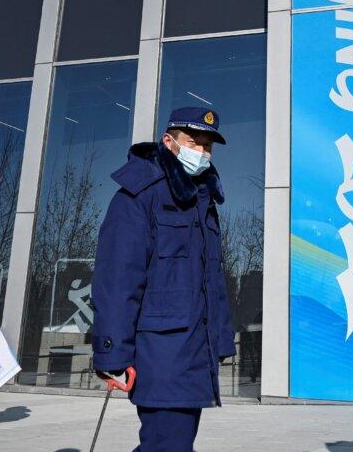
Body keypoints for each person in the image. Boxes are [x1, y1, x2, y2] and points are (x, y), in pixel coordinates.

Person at [92, 107, 236, 452]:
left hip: (193, 352)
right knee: (167, 444)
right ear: (169, 142)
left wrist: (221, 339)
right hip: (161, 352)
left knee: (172, 444)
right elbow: (117, 279)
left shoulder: (202, 200)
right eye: (193, 142)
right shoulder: (140, 195)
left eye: (207, 147)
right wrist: (112, 353)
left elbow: (211, 281)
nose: (201, 152)